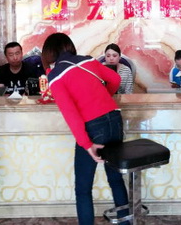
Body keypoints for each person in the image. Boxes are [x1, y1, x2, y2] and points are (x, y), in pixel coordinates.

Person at [42, 33, 129, 225]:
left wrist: (86, 144)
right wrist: (102, 97)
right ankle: (126, 222)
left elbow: (71, 114)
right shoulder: (88, 61)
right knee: (115, 179)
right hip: (115, 119)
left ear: (48, 53)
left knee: (83, 189)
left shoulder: (56, 75)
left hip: (93, 127)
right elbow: (115, 79)